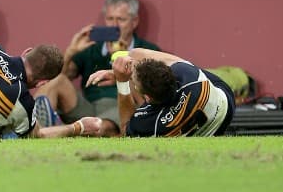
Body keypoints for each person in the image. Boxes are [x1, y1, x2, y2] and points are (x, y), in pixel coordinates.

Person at [34, 0, 161, 137]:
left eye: (121, 19)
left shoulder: (147, 50)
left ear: (134, 22)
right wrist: (70, 52)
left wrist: (123, 58)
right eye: (110, 19)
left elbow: (149, 95)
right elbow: (57, 77)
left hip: (120, 107)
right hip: (88, 106)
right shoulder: (92, 48)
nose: (114, 25)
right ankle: (34, 129)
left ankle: (60, 131)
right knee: (56, 81)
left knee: (102, 127)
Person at [87, 48, 235, 137]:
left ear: (147, 97)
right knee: (138, 53)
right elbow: (148, 56)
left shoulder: (152, 123)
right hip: (226, 106)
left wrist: (122, 82)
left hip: (202, 127)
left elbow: (126, 129)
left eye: (134, 81)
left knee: (135, 53)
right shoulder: (188, 74)